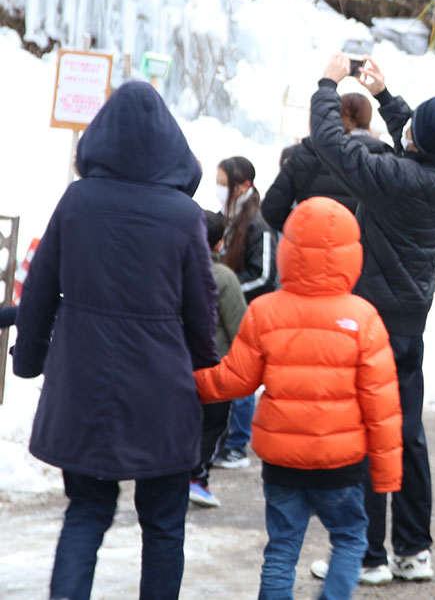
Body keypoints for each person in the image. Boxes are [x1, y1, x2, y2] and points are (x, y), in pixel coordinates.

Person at [13, 81, 218, 600]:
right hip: (163, 392)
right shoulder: (184, 215)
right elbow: (202, 309)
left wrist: (29, 361)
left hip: (83, 385)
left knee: (86, 511)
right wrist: (207, 373)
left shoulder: (77, 201)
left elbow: (38, 289)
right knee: (164, 523)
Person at [308, 53, 435, 584]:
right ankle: (413, 551)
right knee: (407, 435)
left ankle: (366, 556)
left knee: (363, 433)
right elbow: (417, 140)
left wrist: (328, 84)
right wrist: (383, 95)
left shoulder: (392, 177)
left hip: (369, 323)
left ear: (415, 140)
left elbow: (330, 143)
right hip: (408, 327)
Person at [194, 197, 402, 600]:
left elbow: (236, 379)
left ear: (288, 248)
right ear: (350, 253)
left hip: (282, 462)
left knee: (282, 549)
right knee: (350, 538)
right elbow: (382, 406)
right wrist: (386, 474)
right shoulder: (363, 318)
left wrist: (188, 383)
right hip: (339, 463)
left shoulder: (265, 311)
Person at [211, 156, 277, 471]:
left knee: (242, 375)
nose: (219, 189)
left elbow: (263, 275)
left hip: (248, 311)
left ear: (243, 186)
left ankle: (237, 444)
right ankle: (223, 439)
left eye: (224, 184)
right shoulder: (229, 218)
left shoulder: (258, 224)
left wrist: (228, 288)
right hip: (227, 307)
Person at [189, 211, 248, 509]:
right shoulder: (223, 277)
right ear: (218, 243)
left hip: (174, 364)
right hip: (215, 367)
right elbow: (239, 326)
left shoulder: (171, 269)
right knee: (212, 426)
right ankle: (197, 478)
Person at [261, 94, 389, 230]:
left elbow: (272, 209)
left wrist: (302, 228)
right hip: (359, 241)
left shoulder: (306, 151)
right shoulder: (383, 156)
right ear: (368, 121)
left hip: (311, 239)